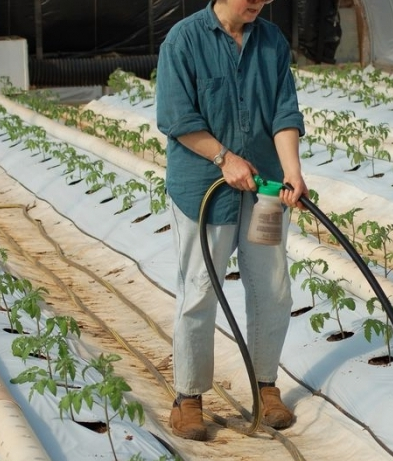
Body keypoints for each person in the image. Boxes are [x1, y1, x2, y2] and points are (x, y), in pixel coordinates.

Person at [155, 0, 308, 441]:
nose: (259, 2)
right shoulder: (183, 41)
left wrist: (291, 171)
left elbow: (283, 112)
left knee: (272, 287)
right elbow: (176, 118)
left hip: (263, 192)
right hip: (205, 190)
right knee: (200, 290)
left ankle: (266, 388)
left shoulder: (271, 40)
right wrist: (223, 158)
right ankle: (188, 397)